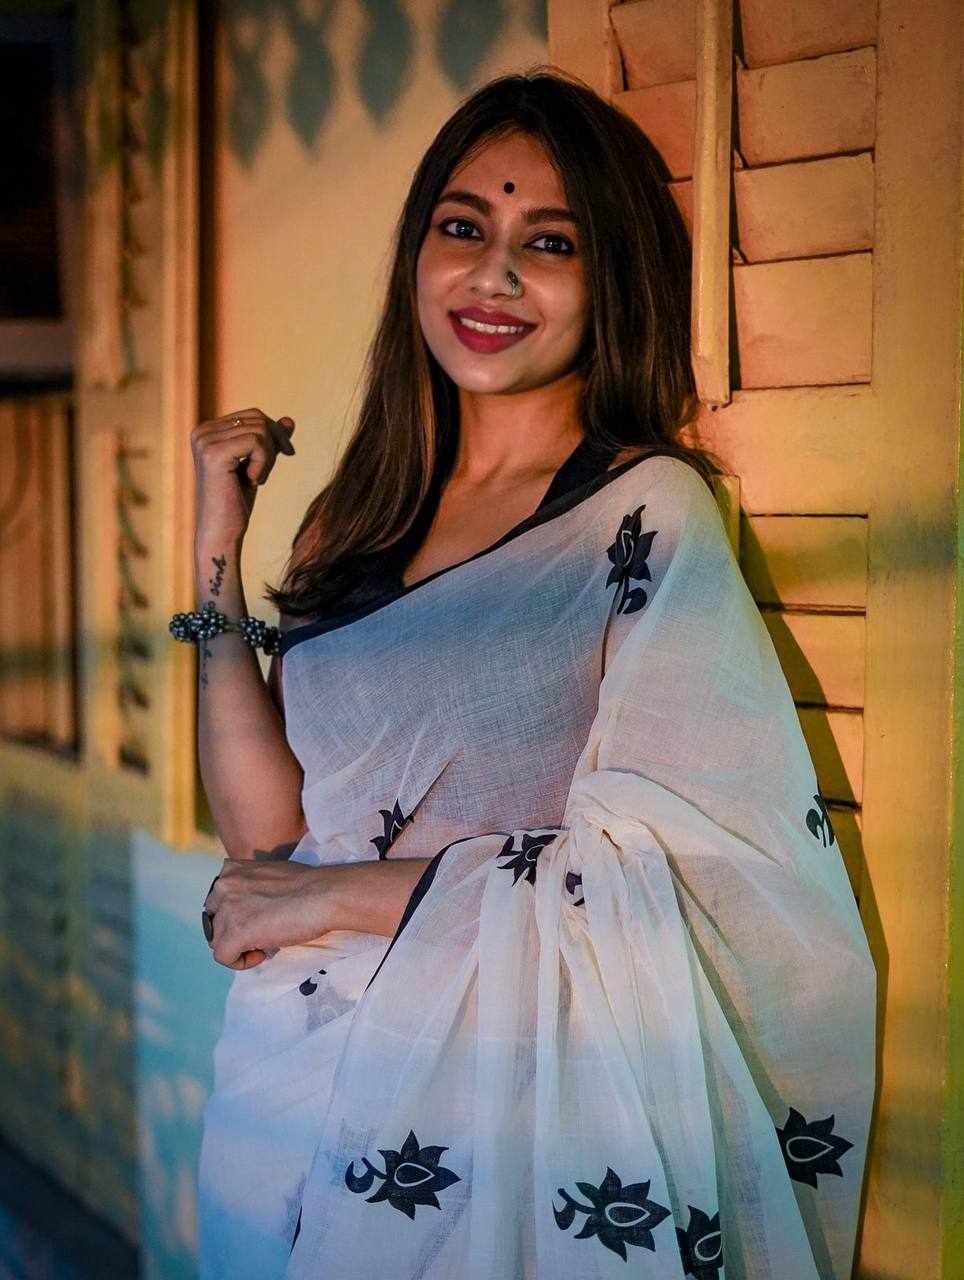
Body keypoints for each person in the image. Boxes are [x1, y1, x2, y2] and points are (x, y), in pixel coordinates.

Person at [183, 69, 876, 1280]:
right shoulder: (358, 516)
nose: (494, 275)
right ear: (418, 254)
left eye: (548, 243)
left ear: (609, 281)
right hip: (292, 1103)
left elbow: (687, 875)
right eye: (464, 227)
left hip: (509, 1113)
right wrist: (215, 550)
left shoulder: (638, 516)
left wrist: (320, 901)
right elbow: (271, 832)